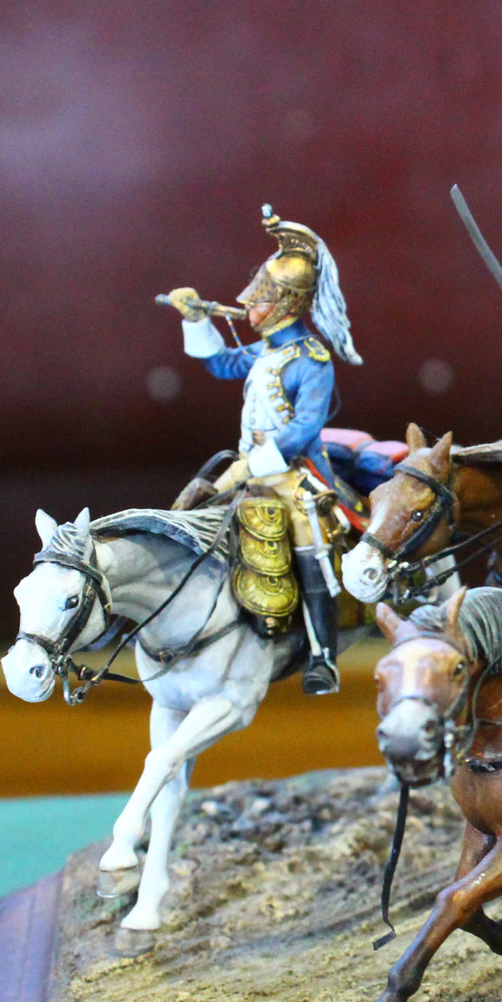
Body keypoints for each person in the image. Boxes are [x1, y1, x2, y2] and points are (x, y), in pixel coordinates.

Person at [164, 207, 363, 693]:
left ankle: (322, 657)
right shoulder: (267, 351)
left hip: (295, 473)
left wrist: (251, 466)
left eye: (259, 300)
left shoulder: (312, 359)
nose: (248, 307)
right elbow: (222, 364)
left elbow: (303, 429)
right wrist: (195, 319)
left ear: (285, 306)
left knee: (310, 545)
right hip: (248, 466)